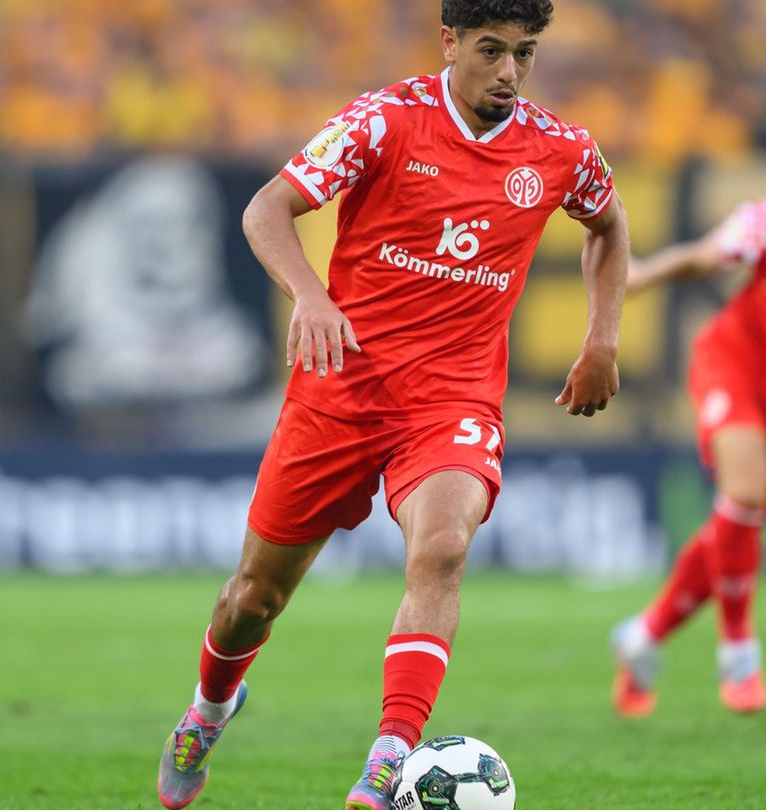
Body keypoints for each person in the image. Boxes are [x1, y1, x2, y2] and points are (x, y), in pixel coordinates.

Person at [153, 2, 629, 808]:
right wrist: (309, 296)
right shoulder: (384, 121)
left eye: (525, 53)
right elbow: (266, 206)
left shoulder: (560, 149)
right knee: (253, 599)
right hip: (340, 388)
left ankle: (390, 758)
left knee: (442, 549)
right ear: (449, 42)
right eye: (491, 51)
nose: (509, 72)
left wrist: (603, 340)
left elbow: (608, 228)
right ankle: (208, 711)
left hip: (452, 398)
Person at [609, 199, 766, 717]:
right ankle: (738, 652)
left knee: (734, 526)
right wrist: (642, 276)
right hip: (732, 365)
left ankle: (642, 639)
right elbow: (706, 257)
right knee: (746, 495)